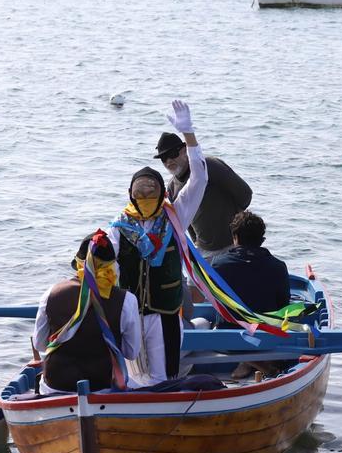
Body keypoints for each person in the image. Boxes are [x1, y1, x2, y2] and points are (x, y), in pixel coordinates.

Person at [107, 100, 208, 387]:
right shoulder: (121, 224)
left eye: (152, 190)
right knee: (134, 375)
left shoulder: (176, 216)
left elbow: (200, 177)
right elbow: (103, 256)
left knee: (163, 376)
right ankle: (134, 417)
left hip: (164, 314)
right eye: (140, 192)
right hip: (131, 313)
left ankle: (163, 413)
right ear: (131, 195)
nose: (146, 196)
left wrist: (188, 134)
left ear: (163, 191)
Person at [33, 230, 141, 394]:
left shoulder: (51, 294)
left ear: (78, 264)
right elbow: (131, 353)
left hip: (54, 386)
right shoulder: (127, 300)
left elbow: (40, 345)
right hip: (101, 387)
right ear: (112, 266)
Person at [210, 210, 290, 378]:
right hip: (266, 339)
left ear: (235, 237)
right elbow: (284, 304)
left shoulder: (218, 264)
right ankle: (253, 362)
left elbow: (214, 301)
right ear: (262, 240)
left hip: (227, 341)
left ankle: (248, 362)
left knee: (202, 321)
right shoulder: (278, 266)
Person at [155, 130, 252, 262]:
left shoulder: (209, 166)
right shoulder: (172, 187)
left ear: (184, 150)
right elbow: (184, 221)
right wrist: (196, 243)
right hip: (203, 250)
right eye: (163, 158)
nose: (168, 161)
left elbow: (245, 195)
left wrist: (237, 228)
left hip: (234, 244)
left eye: (172, 154)